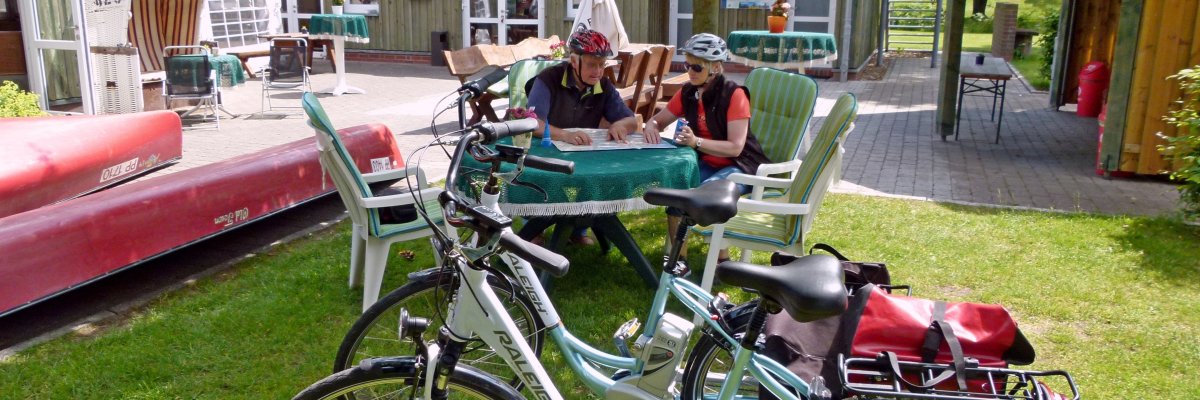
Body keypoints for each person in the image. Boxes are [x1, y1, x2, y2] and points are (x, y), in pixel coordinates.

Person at [642, 33, 771, 264]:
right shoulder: (688, 92)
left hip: (740, 165)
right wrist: (650, 126)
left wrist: (696, 142)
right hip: (707, 162)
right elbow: (658, 120)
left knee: (707, 193)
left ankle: (721, 258)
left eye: (697, 67)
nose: (690, 71)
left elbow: (735, 147)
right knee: (678, 194)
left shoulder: (735, 95)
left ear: (715, 67)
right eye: (687, 64)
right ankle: (678, 262)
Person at [525, 26, 641, 245]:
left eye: (602, 65)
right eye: (591, 64)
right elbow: (532, 123)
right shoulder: (548, 79)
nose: (598, 71)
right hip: (544, 152)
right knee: (541, 177)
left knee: (598, 178)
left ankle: (579, 226)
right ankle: (535, 225)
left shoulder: (603, 86)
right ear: (574, 61)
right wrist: (564, 135)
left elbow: (631, 121)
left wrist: (620, 126)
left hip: (583, 157)